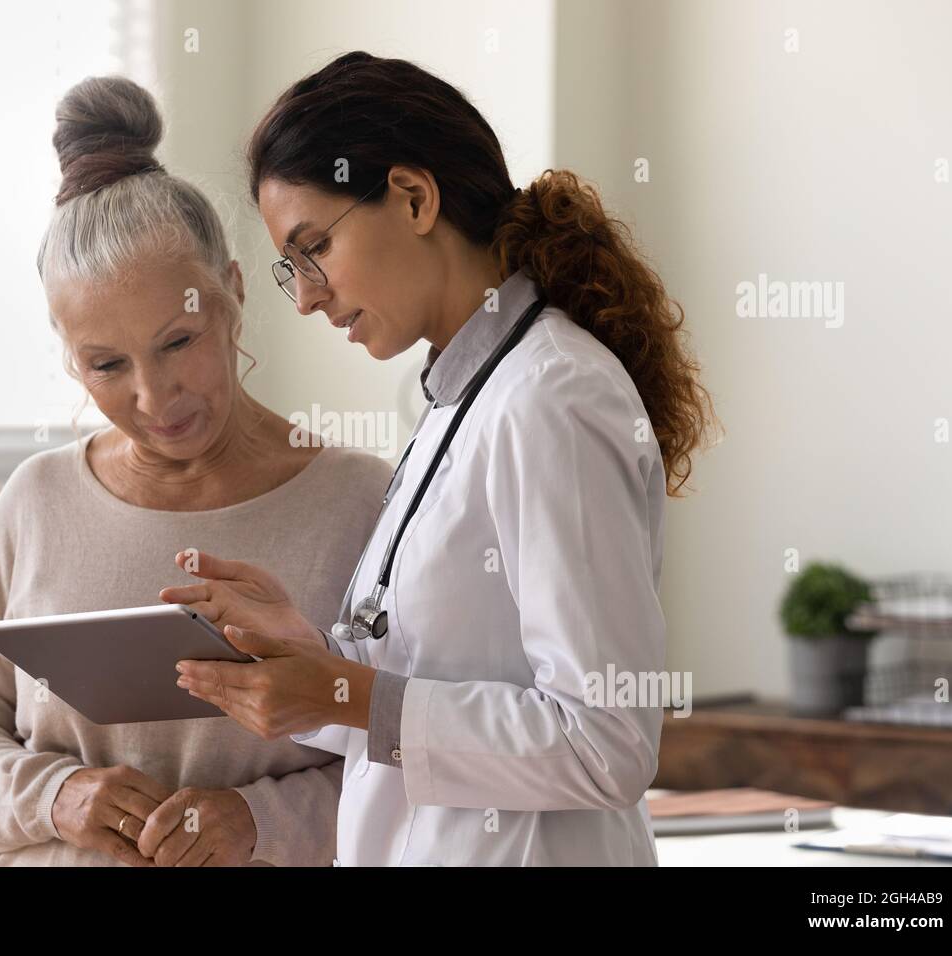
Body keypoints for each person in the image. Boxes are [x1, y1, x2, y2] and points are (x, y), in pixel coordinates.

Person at [164, 52, 718, 866]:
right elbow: (434, 684)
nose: (308, 294)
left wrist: (347, 691)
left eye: (313, 246)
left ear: (414, 197)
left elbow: (607, 743)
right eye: (293, 268)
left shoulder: (552, 399)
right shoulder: (457, 399)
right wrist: (314, 664)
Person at [0, 74, 392, 866]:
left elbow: (410, 749)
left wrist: (258, 820)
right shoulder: (37, 501)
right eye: (106, 364)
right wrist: (54, 798)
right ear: (71, 362)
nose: (153, 396)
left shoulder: (362, 501)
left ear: (234, 293)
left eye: (179, 342)